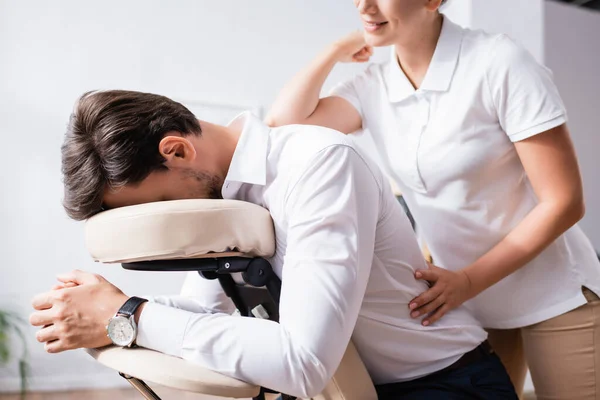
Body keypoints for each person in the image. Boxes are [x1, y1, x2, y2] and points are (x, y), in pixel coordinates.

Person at [29, 90, 517, 399]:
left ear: (177, 150)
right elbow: (205, 310)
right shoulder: (219, 197)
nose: (162, 222)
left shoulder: (319, 166)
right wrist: (102, 307)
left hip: (444, 385)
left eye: (156, 203)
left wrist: (129, 316)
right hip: (341, 387)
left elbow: (301, 362)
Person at [265, 0, 600, 398]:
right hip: (467, 300)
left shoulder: (499, 62)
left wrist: (468, 280)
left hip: (553, 293)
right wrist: (336, 50)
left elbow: (564, 201)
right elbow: (282, 126)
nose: (364, 5)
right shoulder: (373, 85)